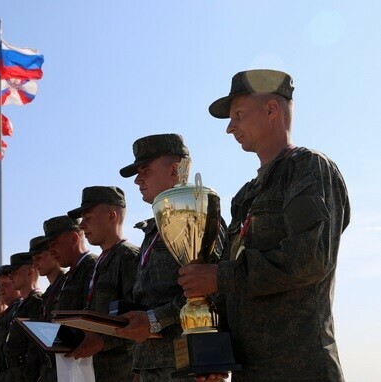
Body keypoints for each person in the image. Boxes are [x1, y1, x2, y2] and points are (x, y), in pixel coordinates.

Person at [178, 69, 350, 382]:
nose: (230, 128)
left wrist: (220, 276)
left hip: (299, 370)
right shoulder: (246, 195)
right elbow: (235, 287)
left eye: (238, 115)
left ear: (271, 109)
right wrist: (216, 352)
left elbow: (310, 259)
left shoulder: (307, 169)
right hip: (250, 370)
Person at [116, 133, 215, 381]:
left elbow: (212, 289)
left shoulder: (199, 217)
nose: (138, 180)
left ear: (174, 170)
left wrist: (154, 320)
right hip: (151, 364)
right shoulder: (153, 229)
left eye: (145, 170)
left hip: (187, 363)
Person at [65, 186, 139, 382]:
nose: (81, 225)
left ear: (111, 216)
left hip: (123, 371)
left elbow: (139, 319)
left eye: (87, 218)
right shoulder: (100, 262)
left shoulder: (128, 257)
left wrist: (103, 341)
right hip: (95, 371)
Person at [42, 215, 97, 311]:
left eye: (54, 244)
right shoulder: (66, 277)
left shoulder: (94, 267)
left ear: (73, 239)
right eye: (49, 247)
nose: (51, 251)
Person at [5, 251, 44, 382]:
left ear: (30, 272)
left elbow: (35, 347)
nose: (10, 277)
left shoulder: (36, 302)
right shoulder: (21, 306)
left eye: (14, 272)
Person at [31, 235, 65, 382]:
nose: (35, 263)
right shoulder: (48, 293)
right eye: (33, 260)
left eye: (39, 257)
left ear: (52, 254)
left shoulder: (66, 283)